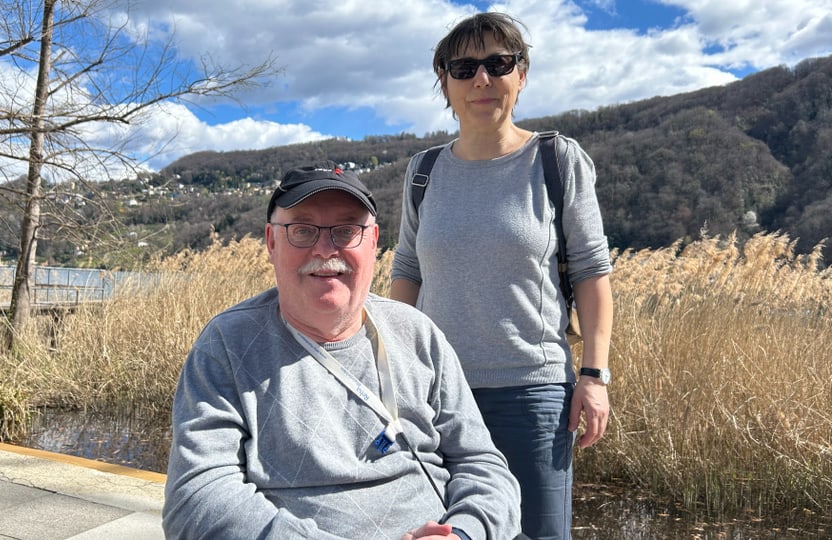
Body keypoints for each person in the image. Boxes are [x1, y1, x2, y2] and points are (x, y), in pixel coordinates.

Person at [163, 163, 522, 539]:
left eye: (347, 230)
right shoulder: (227, 344)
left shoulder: (417, 334)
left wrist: (464, 533)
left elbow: (482, 464)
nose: (325, 249)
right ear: (271, 241)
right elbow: (196, 499)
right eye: (302, 230)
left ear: (373, 241)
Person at [390, 12, 614, 540]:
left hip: (530, 395)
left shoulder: (556, 160)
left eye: (498, 63)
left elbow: (591, 271)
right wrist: (393, 372)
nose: (481, 80)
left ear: (522, 73)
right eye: (464, 68)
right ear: (444, 82)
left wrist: (594, 376)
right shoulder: (423, 171)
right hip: (434, 395)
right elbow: (407, 270)